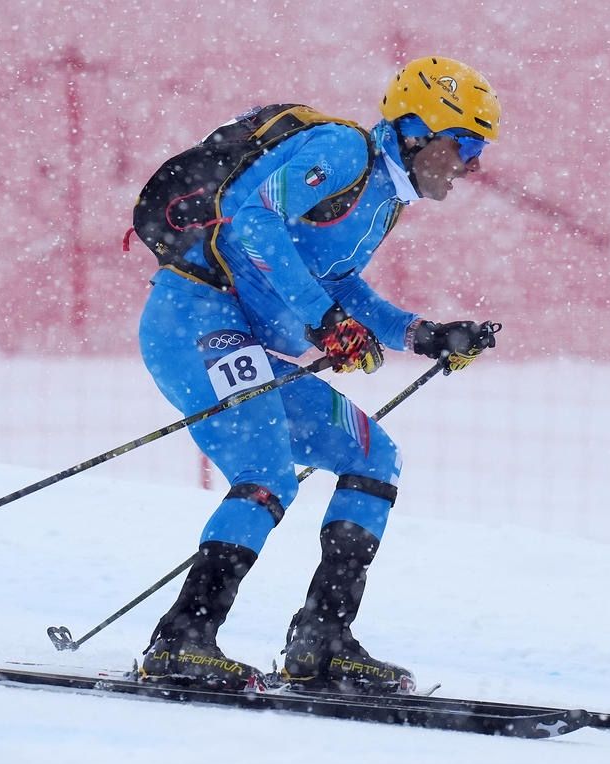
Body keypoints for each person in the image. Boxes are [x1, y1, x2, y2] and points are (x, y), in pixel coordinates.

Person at [136, 56, 500, 693]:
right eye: (465, 145)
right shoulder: (343, 151)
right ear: (417, 131)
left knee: (373, 456)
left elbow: (341, 284)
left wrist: (423, 334)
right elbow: (254, 222)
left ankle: (321, 640)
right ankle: (180, 640)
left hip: (246, 341)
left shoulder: (385, 200)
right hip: (193, 319)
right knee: (267, 471)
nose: (471, 166)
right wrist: (325, 319)